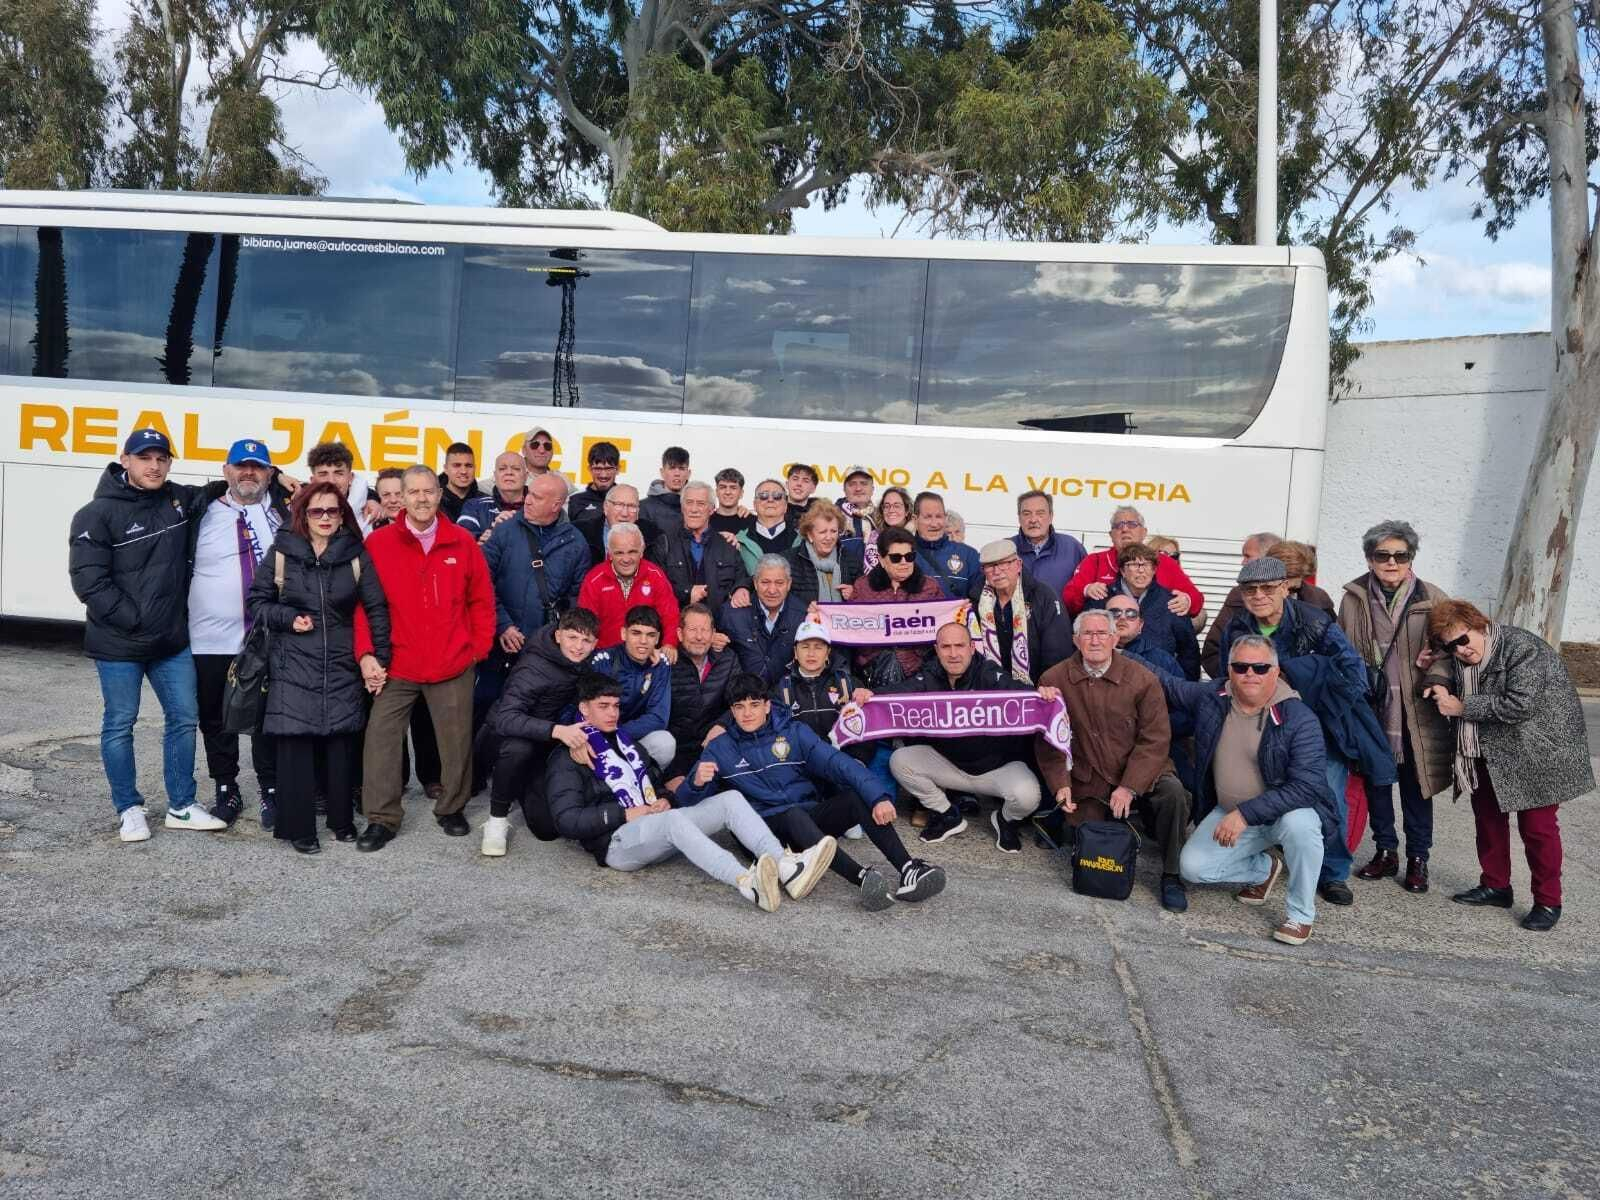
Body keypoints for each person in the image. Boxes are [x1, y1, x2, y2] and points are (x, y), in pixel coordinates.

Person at [70, 429, 226, 841]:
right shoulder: (95, 514)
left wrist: (277, 476)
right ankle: (129, 809)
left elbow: (225, 486)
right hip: (119, 644)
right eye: (145, 458)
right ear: (125, 461)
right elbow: (88, 581)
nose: (154, 466)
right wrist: (135, 620)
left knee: (183, 719)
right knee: (120, 724)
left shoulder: (177, 500)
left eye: (162, 459)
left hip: (170, 644)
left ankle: (182, 806)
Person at [548, 674, 813, 912]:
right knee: (673, 820)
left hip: (655, 827)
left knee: (729, 800)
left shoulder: (626, 743)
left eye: (615, 706)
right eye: (603, 706)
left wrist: (665, 798)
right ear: (584, 708)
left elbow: (657, 784)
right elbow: (567, 820)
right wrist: (626, 814)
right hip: (616, 845)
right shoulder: (567, 756)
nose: (612, 713)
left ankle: (785, 866)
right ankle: (746, 881)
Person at [1217, 556, 1395, 907]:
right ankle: (1266, 861)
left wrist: (1310, 696)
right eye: (1249, 589)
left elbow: (1353, 675)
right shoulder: (1237, 627)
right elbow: (1230, 674)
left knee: (1328, 797)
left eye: (1267, 587)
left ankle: (1333, 874)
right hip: (1260, 724)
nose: (1259, 595)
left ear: (1285, 587)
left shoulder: (1315, 623)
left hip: (1318, 725)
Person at [681, 673, 946, 908]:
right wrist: (697, 783)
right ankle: (862, 878)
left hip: (807, 821)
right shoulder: (719, 747)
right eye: (739, 707)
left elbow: (837, 763)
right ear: (732, 711)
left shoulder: (794, 732)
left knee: (855, 798)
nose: (747, 713)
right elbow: (688, 803)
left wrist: (877, 796)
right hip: (765, 835)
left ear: (767, 705)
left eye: (754, 705)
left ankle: (907, 868)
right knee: (792, 814)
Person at [1425, 600, 1592, 932]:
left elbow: (1520, 704)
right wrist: (1438, 680)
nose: (1461, 650)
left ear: (1481, 626)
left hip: (1539, 752)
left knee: (1538, 830)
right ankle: (1496, 885)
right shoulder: (1459, 656)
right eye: (1451, 645)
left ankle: (1548, 901)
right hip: (1489, 749)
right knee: (1488, 820)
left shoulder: (1523, 648)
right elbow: (1439, 661)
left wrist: (1461, 706)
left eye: (1463, 640)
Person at [354, 465, 495, 851]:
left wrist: (477, 649)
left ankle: (451, 808)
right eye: (412, 492)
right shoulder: (379, 544)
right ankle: (382, 818)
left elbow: (481, 600)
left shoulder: (461, 542)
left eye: (428, 491)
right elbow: (363, 607)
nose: (421, 499)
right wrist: (367, 653)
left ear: (439, 493)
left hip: (452, 662)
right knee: (381, 739)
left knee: (456, 742)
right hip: (397, 663)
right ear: (400, 496)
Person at [1163, 635, 1335, 946]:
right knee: (1192, 868)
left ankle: (1300, 915)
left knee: (1302, 826)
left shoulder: (1299, 718)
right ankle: (1263, 870)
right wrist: (1113, 648)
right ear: (1229, 670)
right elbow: (1169, 684)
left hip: (1281, 814)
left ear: (1276, 670)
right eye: (1241, 667)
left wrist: (1245, 814)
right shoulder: (1214, 697)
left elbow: (1307, 786)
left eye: (1259, 667)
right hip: (1230, 811)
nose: (1250, 674)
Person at [248, 482, 391, 854]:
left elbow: (376, 608)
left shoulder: (355, 554)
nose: (325, 518)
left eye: (333, 510)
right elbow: (257, 602)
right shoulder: (283, 551)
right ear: (303, 515)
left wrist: (379, 658)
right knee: (296, 745)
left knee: (341, 743)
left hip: (342, 661)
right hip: (293, 661)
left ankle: (341, 821)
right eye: (317, 511)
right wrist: (288, 617)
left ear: (343, 513)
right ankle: (299, 829)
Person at [1036, 611, 1190, 910]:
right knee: (1093, 860)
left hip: (1142, 772)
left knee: (1174, 796)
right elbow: (1050, 742)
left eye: (1102, 633)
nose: (1095, 640)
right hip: (1089, 777)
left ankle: (1172, 874)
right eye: (1087, 634)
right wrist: (1060, 784)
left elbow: (1155, 739)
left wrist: (1130, 787)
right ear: (1075, 640)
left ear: (1115, 638)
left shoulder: (1143, 680)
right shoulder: (1053, 680)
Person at [1338, 521, 1454, 893]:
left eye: (1400, 555)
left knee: (1417, 787)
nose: (1391, 562)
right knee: (1377, 783)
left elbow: (1452, 653)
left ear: (1411, 558)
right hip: (1371, 706)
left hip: (1417, 710)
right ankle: (1386, 852)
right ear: (1370, 559)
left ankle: (1419, 859)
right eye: (1382, 555)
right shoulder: (1353, 598)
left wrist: (1434, 671)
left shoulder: (1433, 597)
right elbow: (1342, 650)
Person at [869, 623, 1051, 847]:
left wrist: (1041, 694)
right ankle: (947, 814)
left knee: (1028, 796)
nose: (953, 654)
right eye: (946, 647)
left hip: (995, 770)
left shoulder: (987, 673)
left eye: (959, 646)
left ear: (972, 648)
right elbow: (901, 692)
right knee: (900, 760)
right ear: (936, 650)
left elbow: (1017, 692)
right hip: (950, 767)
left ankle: (1005, 820)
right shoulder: (930, 675)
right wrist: (869, 694)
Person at [187, 438, 289, 826]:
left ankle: (270, 789)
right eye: (241, 466)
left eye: (258, 467)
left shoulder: (284, 511)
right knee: (215, 717)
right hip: (209, 638)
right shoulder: (202, 510)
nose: (249, 473)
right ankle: (226, 787)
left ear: (270, 473)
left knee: (266, 717)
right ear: (226, 471)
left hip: (265, 637)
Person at [480, 472, 590, 766]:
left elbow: (577, 597)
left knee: (537, 712)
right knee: (490, 706)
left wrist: (561, 639)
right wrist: (502, 624)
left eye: (538, 497)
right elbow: (481, 582)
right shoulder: (505, 531)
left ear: (557, 505)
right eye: (529, 493)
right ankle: (479, 771)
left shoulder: (575, 541)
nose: (527, 499)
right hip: (501, 641)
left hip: (546, 647)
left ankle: (521, 773)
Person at [481, 608, 599, 856]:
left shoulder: (586, 663)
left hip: (545, 742)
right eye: (572, 637)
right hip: (503, 739)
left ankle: (522, 784)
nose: (578, 646)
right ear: (558, 636)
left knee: (547, 829)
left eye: (586, 640)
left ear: (595, 643)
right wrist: (557, 730)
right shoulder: (534, 666)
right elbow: (505, 718)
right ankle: (496, 821)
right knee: (518, 748)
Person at [1203, 540, 1336, 678]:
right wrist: (1239, 683)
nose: (1285, 595)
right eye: (1269, 587)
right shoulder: (1241, 600)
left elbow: (1339, 663)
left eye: (1293, 589)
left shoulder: (1319, 602)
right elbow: (1213, 652)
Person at [1062, 505, 1203, 618]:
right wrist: (1086, 590)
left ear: (1144, 532)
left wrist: (1187, 601)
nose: (1124, 529)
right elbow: (1068, 599)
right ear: (1111, 535)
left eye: (1132, 524)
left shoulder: (1164, 562)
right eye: (1118, 525)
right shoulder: (1095, 561)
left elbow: (1196, 599)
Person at [846, 527, 945, 685]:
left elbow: (944, 627)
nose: (904, 562)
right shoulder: (863, 587)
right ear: (881, 559)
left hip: (920, 673)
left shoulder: (930, 587)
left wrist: (961, 611)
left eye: (909, 556)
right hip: (872, 672)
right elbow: (849, 628)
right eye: (896, 558)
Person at [1086, 543, 1201, 680]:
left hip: (1159, 681)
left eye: (1146, 565)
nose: (1141, 570)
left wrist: (1187, 691)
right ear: (1122, 570)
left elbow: (1189, 651)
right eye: (1134, 564)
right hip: (1107, 680)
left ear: (1154, 570)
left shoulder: (1172, 603)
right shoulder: (1101, 598)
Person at [965, 539, 1070, 682]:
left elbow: (1057, 649)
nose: (997, 571)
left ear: (1018, 565)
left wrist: (1048, 684)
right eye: (990, 566)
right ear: (983, 571)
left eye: (1004, 563)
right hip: (988, 688)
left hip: (1037, 687)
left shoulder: (1043, 596)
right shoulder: (974, 600)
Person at [589, 607, 676, 769]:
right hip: (599, 737)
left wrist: (617, 733)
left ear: (657, 639)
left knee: (665, 742)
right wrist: (603, 735)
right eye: (636, 633)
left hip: (629, 736)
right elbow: (587, 709)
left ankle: (646, 785)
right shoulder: (604, 660)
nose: (643, 641)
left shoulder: (661, 665)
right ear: (624, 634)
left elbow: (658, 718)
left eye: (650, 635)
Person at [650, 481, 753, 612]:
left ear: (711, 509)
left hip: (718, 627)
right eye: (689, 503)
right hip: (677, 623)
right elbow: (655, 586)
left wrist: (741, 589)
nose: (694, 509)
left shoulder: (727, 545)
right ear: (682, 507)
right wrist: (686, 593)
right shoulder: (664, 543)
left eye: (701, 504)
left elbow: (741, 578)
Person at [664, 604, 738, 785]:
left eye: (704, 630)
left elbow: (741, 699)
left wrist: (723, 724)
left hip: (714, 744)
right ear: (680, 634)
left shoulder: (728, 659)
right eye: (693, 630)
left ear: (713, 634)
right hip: (676, 749)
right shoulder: (667, 662)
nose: (699, 636)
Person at [577, 524, 680, 651]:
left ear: (642, 551)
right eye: (619, 553)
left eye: (632, 552)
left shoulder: (655, 575)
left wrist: (669, 644)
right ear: (609, 553)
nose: (626, 559)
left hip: (645, 656)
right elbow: (586, 624)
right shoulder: (594, 580)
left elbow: (670, 615)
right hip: (606, 657)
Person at [721, 554, 809, 684]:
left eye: (779, 583)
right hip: (745, 697)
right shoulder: (732, 614)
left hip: (788, 698)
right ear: (755, 583)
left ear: (789, 584)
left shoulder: (803, 616)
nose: (772, 590)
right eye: (765, 582)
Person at [786, 501, 865, 607]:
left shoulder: (852, 560)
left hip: (842, 622)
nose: (829, 537)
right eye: (823, 532)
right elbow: (783, 602)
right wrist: (804, 608)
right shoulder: (789, 561)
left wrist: (855, 595)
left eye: (833, 531)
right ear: (810, 534)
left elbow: (865, 602)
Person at [1010, 490, 1087, 599]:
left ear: (1051, 517)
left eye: (1040, 513)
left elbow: (1085, 589)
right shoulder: (1006, 548)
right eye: (1026, 514)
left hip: (1060, 616)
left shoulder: (1072, 547)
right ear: (1019, 517)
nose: (1033, 519)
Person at [913, 491, 981, 597]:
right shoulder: (903, 554)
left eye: (939, 516)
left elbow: (979, 601)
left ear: (944, 518)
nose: (934, 524)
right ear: (915, 520)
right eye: (928, 517)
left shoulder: (969, 555)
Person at [575, 483, 660, 563]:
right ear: (606, 507)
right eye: (619, 505)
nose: (625, 513)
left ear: (638, 511)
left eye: (631, 506)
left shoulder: (652, 534)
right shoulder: (581, 532)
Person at [307, 441, 377, 535]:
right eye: (323, 474)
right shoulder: (297, 513)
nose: (331, 481)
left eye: (338, 473)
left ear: (351, 478)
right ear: (313, 481)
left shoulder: (374, 517)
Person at [458, 451, 528, 541]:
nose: (509, 472)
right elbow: (460, 541)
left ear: (526, 476)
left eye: (516, 469)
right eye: (502, 469)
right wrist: (485, 537)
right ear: (494, 476)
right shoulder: (475, 506)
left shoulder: (540, 507)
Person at [734, 478, 800, 572]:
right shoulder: (738, 541)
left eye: (777, 496)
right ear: (754, 505)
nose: (770, 500)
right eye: (763, 496)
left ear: (786, 506)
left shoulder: (802, 541)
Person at [641, 446, 690, 535]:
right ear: (662, 472)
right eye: (672, 468)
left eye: (682, 468)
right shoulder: (644, 507)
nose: (677, 473)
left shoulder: (695, 507)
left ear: (688, 473)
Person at [567, 441, 620, 523]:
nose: (603, 475)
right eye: (598, 469)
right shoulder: (575, 501)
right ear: (590, 469)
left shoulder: (626, 501)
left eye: (608, 468)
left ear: (618, 469)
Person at [436, 442, 483, 522]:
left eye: (468, 466)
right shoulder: (432, 500)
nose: (463, 471)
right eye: (457, 465)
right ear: (445, 469)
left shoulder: (486, 502)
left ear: (475, 468)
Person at [521, 427, 573, 495]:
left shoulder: (562, 479)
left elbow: (578, 503)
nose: (542, 450)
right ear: (524, 450)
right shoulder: (514, 477)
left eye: (547, 446)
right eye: (535, 445)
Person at [836, 465, 878, 542]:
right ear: (844, 489)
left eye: (864, 483)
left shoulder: (882, 518)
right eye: (852, 484)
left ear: (872, 489)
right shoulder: (832, 516)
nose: (858, 488)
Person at [710, 467, 752, 537]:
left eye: (733, 488)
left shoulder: (752, 522)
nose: (728, 492)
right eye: (723, 487)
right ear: (716, 492)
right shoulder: (706, 520)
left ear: (741, 493)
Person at [784, 462, 819, 526]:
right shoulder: (774, 507)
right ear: (787, 484)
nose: (799, 484)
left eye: (805, 481)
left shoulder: (820, 513)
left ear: (813, 489)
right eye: (795, 479)